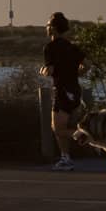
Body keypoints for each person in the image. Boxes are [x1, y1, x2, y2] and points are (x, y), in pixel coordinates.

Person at [41, 11, 86, 171]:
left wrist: (44, 71)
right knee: (62, 127)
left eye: (47, 25)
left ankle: (84, 136)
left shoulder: (50, 48)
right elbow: (84, 68)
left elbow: (50, 70)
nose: (46, 28)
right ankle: (66, 158)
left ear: (53, 28)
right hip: (75, 90)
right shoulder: (73, 47)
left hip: (62, 91)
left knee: (58, 128)